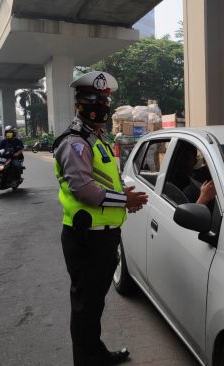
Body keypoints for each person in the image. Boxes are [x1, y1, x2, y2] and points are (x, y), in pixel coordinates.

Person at [53, 71, 148, 366]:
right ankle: (87, 360)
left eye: (104, 100)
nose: (101, 107)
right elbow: (83, 189)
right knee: (85, 306)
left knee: (93, 304)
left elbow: (105, 183)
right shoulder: (75, 142)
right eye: (93, 100)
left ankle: (94, 354)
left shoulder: (97, 139)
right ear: (79, 105)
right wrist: (125, 200)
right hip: (87, 238)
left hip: (103, 235)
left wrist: (124, 199)